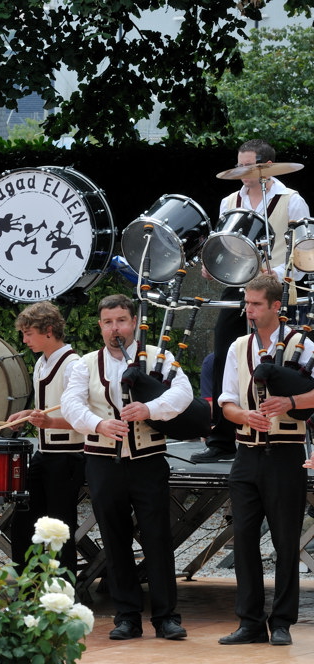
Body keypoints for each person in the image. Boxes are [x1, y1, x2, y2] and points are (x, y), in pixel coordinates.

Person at [61, 294, 192, 641]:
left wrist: (151, 409)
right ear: (100, 325)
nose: (114, 328)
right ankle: (127, 616)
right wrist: (98, 424)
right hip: (103, 462)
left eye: (120, 320)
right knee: (114, 539)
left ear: (133, 322)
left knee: (158, 538)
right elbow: (71, 405)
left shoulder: (159, 359)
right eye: (107, 322)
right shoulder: (84, 364)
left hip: (148, 460)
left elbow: (183, 394)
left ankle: (166, 617)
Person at [193, 138, 310, 464]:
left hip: (279, 291)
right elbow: (225, 250)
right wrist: (211, 266)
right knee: (223, 356)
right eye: (240, 164)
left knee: (278, 361)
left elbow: (305, 253)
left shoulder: (292, 201)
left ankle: (280, 433)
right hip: (240, 289)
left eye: (249, 165)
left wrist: (279, 274)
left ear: (267, 167)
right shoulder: (229, 201)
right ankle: (221, 440)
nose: (243, 171)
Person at [217, 275, 312, 646]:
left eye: (256, 304)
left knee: (286, 541)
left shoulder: (303, 344)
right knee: (243, 539)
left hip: (286, 453)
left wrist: (288, 403)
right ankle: (250, 622)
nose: (249, 310)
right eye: (247, 303)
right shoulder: (239, 346)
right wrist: (244, 416)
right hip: (246, 454)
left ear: (276, 306)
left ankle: (284, 622)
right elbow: (226, 402)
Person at [6, 301, 84, 573]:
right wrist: (29, 414)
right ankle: (28, 588)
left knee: (60, 528)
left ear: (49, 330)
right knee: (23, 521)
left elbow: (83, 419)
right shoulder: (41, 361)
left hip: (69, 456)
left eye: (29, 334)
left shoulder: (74, 365)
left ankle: (64, 592)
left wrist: (49, 421)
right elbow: (47, 407)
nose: (25, 340)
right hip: (45, 454)